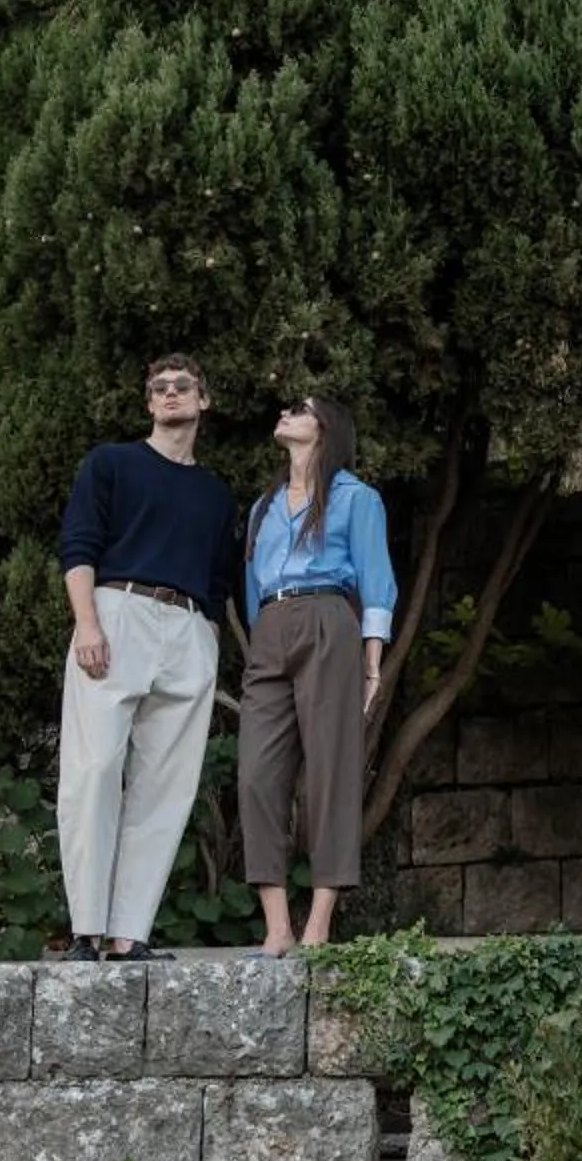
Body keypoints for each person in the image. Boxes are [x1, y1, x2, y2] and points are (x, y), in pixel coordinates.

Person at [55, 354, 240, 961]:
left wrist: (208, 636)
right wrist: (87, 621)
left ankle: (129, 934)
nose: (169, 394)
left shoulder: (216, 495)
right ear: (149, 403)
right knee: (95, 768)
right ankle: (86, 928)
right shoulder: (112, 463)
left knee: (168, 786)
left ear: (202, 400)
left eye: (181, 386)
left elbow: (219, 581)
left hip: (188, 627)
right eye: (157, 387)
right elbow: (78, 544)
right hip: (117, 611)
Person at [238, 392, 396, 952]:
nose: (285, 412)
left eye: (300, 408)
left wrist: (372, 661)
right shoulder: (265, 506)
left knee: (331, 772)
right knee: (257, 775)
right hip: (271, 628)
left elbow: (376, 578)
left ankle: (319, 921)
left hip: (330, 618)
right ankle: (276, 922)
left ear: (325, 429)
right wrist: (260, 639)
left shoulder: (356, 498)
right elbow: (251, 585)